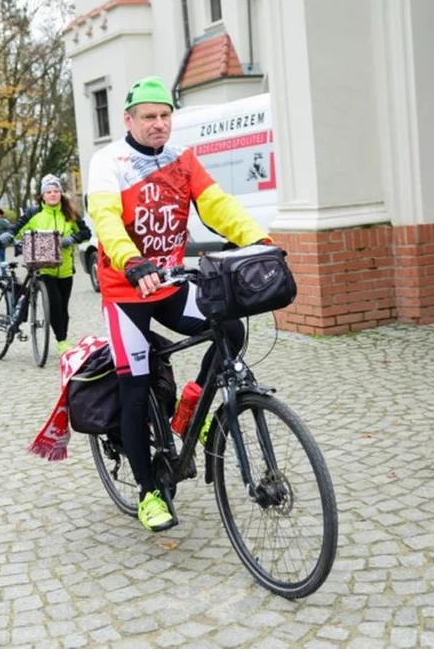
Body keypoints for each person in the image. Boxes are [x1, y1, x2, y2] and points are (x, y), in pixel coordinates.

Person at [87, 76, 271, 531]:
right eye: (149, 116)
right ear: (128, 119)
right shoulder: (109, 161)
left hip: (169, 285)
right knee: (136, 382)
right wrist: (131, 261)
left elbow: (218, 205)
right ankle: (150, 491)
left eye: (166, 115)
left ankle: (191, 416)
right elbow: (105, 217)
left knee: (230, 329)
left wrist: (260, 241)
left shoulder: (182, 161)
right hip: (128, 289)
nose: (159, 124)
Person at [1, 175, 91, 354]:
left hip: (65, 268)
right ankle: (62, 341)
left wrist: (73, 238)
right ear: (43, 195)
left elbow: (86, 232)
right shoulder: (33, 213)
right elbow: (17, 227)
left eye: (56, 191)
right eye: (49, 192)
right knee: (54, 304)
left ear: (60, 194)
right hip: (42, 267)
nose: (53, 195)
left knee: (63, 307)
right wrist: (9, 235)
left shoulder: (69, 213)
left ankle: (62, 338)